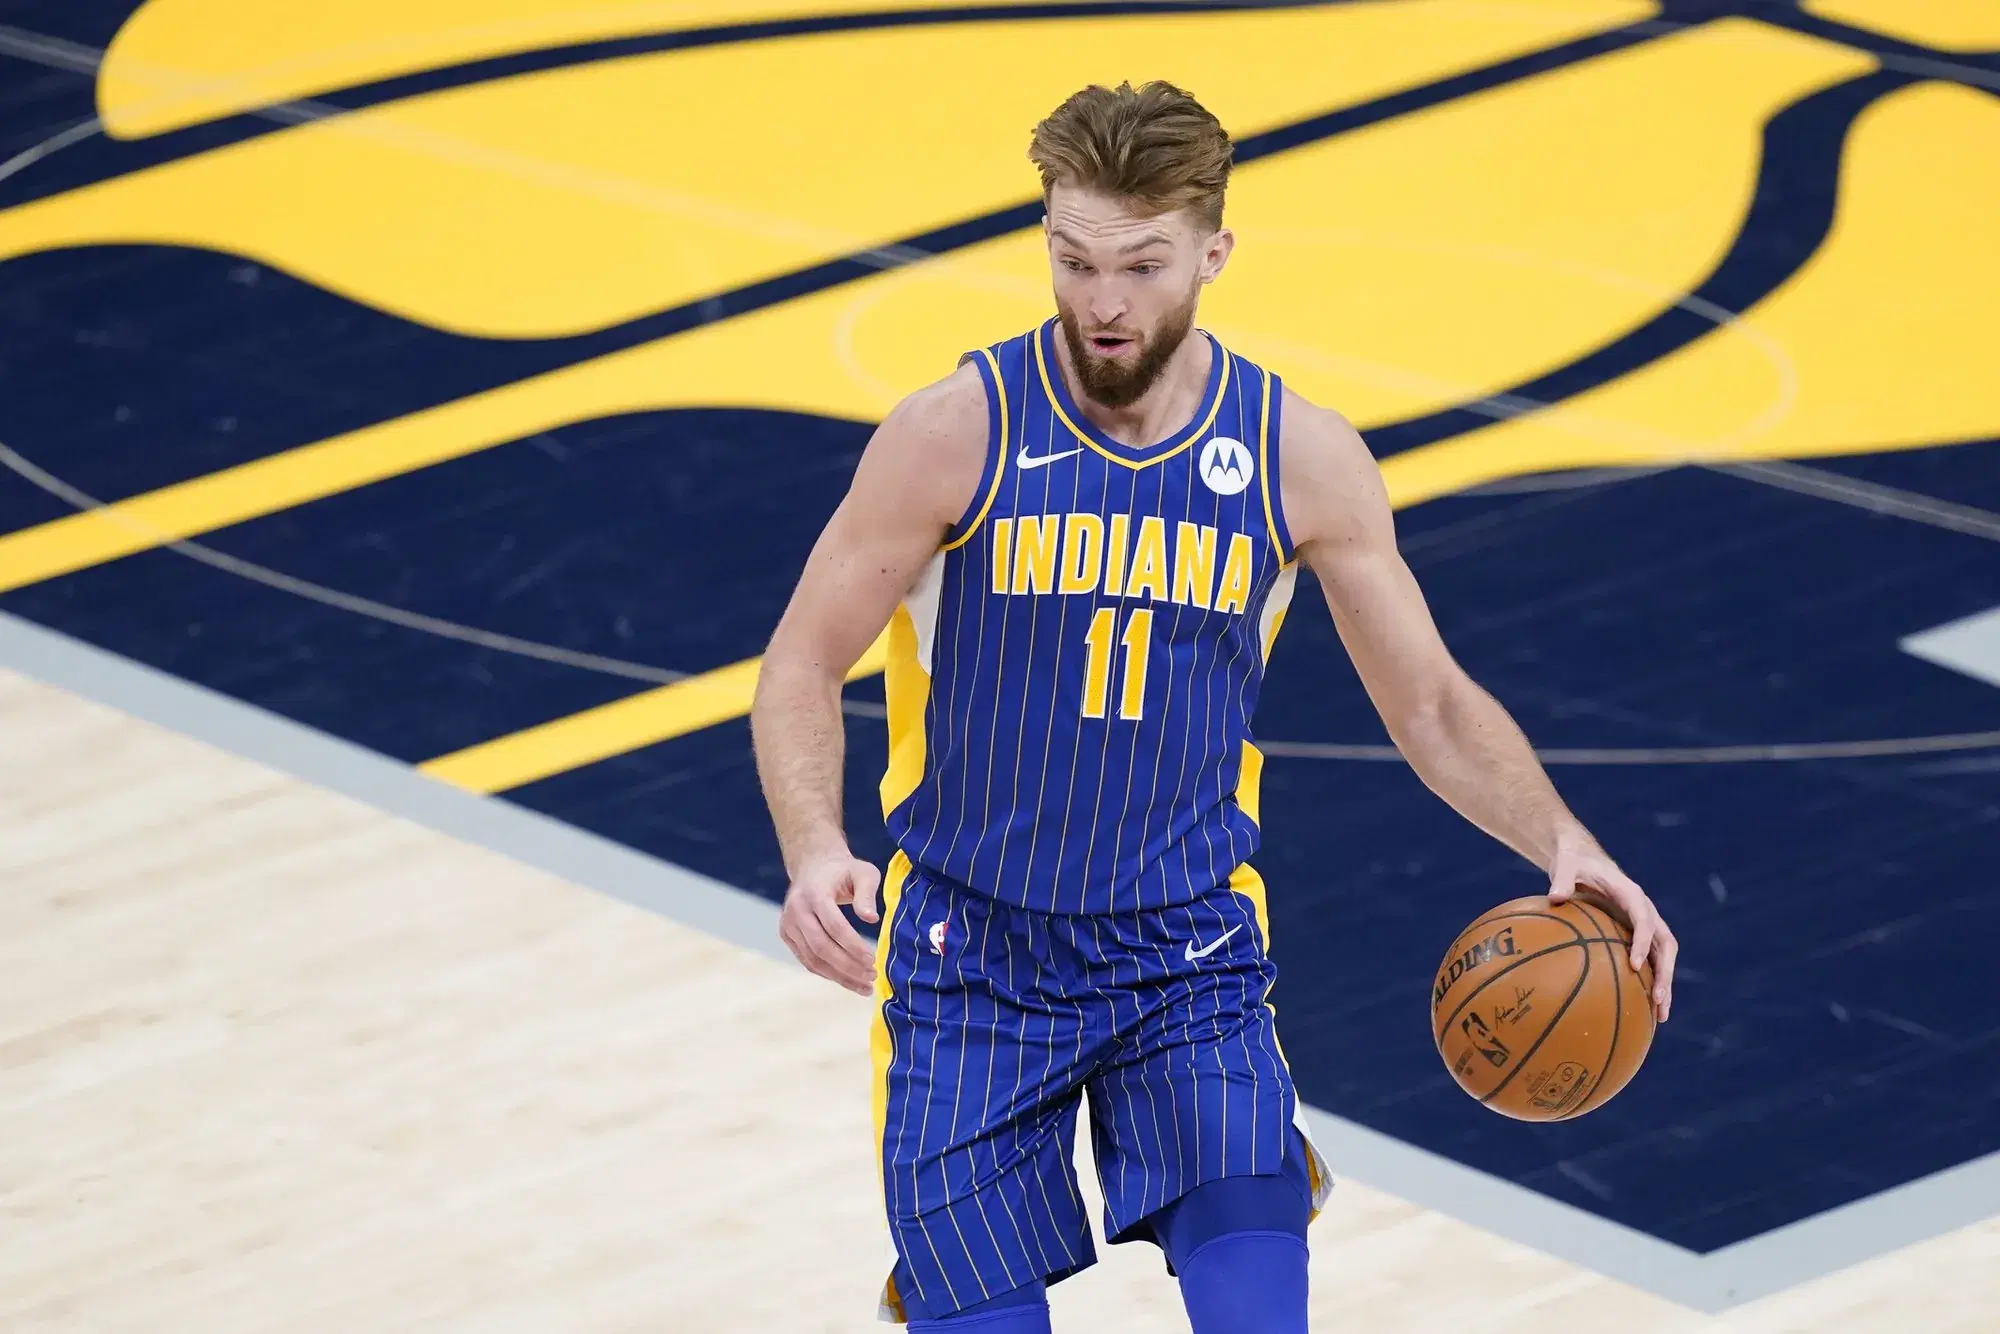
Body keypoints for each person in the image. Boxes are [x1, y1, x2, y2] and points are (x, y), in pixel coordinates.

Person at [750, 80, 1677, 1333]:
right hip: (967, 958)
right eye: (1074, 260)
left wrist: (1562, 842)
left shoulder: (1300, 456)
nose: (1104, 300)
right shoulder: (952, 434)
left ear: (1212, 251)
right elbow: (800, 665)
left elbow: (1433, 705)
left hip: (1182, 953)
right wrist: (812, 849)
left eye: (1139, 263)